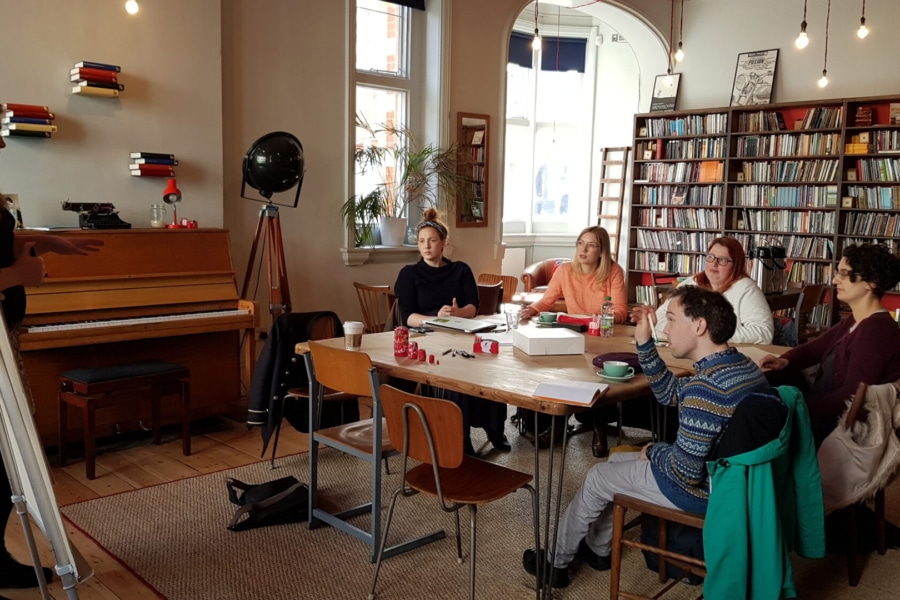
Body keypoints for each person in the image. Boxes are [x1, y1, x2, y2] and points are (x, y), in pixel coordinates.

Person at [523, 286, 775, 588]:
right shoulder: (740, 365)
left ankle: (554, 562)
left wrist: (655, 450)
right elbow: (670, 394)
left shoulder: (705, 389)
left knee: (598, 476)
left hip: (706, 490)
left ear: (699, 326)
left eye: (670, 319)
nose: (665, 329)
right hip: (738, 480)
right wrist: (645, 345)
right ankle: (598, 550)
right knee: (617, 465)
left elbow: (685, 472)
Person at [0, 136, 105, 595]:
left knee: (7, 462)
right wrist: (19, 275)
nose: (2, 144)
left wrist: (43, 241)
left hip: (5, 335)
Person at [759, 243, 900, 446]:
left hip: (840, 430)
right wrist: (784, 361)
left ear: (872, 282)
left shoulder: (876, 332)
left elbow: (848, 399)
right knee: (769, 387)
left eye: (844, 273)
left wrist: (791, 404)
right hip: (827, 413)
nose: (835, 280)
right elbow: (814, 349)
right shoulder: (858, 319)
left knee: (759, 412)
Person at [393, 208, 509, 454]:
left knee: (490, 368)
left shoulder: (461, 270)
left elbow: (473, 307)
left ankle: (495, 428)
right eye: (421, 241)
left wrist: (457, 314)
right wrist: (437, 317)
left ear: (443, 243)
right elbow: (408, 317)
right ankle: (460, 434)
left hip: (462, 332)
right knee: (455, 375)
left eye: (432, 240)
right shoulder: (409, 274)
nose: (426, 246)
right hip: (427, 337)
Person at [639, 237, 774, 345]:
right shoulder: (693, 282)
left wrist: (707, 335)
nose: (714, 264)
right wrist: (688, 332)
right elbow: (661, 317)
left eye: (722, 260)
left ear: (736, 264)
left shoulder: (746, 288)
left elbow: (763, 333)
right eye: (710, 257)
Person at [520, 226, 627, 323]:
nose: (583, 249)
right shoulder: (564, 270)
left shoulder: (614, 271)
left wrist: (602, 319)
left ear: (602, 251)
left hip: (603, 329)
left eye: (591, 245)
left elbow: (620, 311)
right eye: (580, 243)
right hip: (574, 328)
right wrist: (531, 309)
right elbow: (546, 301)